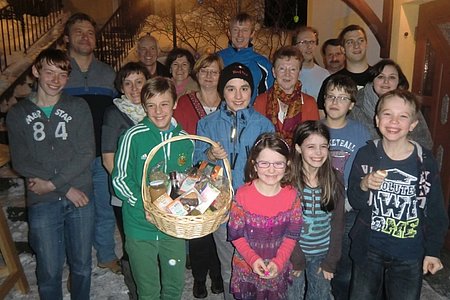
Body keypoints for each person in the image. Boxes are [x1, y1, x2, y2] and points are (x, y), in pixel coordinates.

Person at [7, 48, 95, 299]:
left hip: (82, 199)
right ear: (36, 71)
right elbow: (22, 161)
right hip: (44, 201)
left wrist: (54, 183)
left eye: (62, 74)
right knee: (48, 272)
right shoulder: (18, 114)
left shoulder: (78, 107)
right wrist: (64, 188)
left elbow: (86, 153)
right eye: (49, 72)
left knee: (81, 267)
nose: (56, 80)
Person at [347, 90, 448, 300]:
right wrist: (364, 185)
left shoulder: (425, 162)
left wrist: (433, 250)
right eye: (387, 114)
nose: (394, 121)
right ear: (376, 119)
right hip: (369, 248)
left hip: (409, 252)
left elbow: (437, 210)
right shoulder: (366, 154)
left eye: (403, 116)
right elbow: (355, 201)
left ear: (413, 124)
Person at [195, 62, 275, 300]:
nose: (238, 95)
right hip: (223, 207)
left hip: (256, 207)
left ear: (252, 91)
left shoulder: (263, 125)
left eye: (244, 88)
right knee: (229, 264)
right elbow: (197, 167)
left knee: (258, 264)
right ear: (222, 91)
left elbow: (274, 167)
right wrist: (209, 155)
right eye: (231, 88)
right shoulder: (207, 124)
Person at [112, 77, 194, 299]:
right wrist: (144, 205)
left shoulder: (185, 140)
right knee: (148, 289)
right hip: (140, 226)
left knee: (174, 286)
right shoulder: (133, 137)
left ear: (175, 104)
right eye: (151, 105)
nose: (158, 111)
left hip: (172, 228)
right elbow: (120, 179)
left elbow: (186, 182)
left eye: (164, 104)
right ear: (144, 106)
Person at [63, 12, 120, 273]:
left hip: (101, 154)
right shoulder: (58, 73)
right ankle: (77, 257)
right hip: (69, 158)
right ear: (67, 38)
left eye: (90, 33)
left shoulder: (108, 73)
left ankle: (107, 254)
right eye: (78, 32)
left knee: (105, 207)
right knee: (73, 210)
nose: (85, 37)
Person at [227, 133, 302, 299]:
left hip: (278, 264)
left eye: (278, 163)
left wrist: (279, 261)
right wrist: (253, 260)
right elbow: (236, 236)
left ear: (287, 165)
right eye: (264, 163)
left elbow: (292, 235)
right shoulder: (242, 194)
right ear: (254, 165)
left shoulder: (292, 196)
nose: (271, 170)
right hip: (247, 264)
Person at [173, 53, 224, 298]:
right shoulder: (185, 102)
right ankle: (200, 277)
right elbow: (179, 139)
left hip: (224, 175)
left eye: (214, 71)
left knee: (220, 229)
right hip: (193, 175)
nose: (209, 76)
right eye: (204, 70)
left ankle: (217, 273)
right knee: (199, 231)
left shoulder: (229, 100)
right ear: (197, 73)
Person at [101, 62, 150, 300]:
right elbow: (108, 159)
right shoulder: (114, 113)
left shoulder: (155, 110)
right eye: (127, 83)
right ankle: (137, 291)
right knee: (133, 244)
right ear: (121, 87)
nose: (134, 88)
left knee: (153, 242)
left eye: (139, 82)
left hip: (155, 192)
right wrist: (132, 191)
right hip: (127, 194)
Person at [321, 75, 371, 300]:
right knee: (322, 256)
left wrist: (354, 199)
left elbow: (366, 168)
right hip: (319, 205)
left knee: (346, 260)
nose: (335, 101)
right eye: (331, 96)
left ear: (351, 104)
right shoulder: (314, 128)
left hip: (349, 206)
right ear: (323, 99)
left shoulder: (360, 132)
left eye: (342, 98)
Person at [288, 120, 345, 300]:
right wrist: (296, 258)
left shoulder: (335, 178)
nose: (318, 153)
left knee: (320, 295)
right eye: (311, 146)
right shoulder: (287, 181)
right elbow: (285, 224)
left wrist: (331, 260)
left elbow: (338, 223)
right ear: (298, 148)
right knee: (292, 295)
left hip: (323, 254)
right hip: (293, 253)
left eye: (323, 146)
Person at [349, 59, 433, 148]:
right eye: (381, 77)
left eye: (392, 77)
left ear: (398, 81)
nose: (386, 81)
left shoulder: (409, 105)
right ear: (372, 81)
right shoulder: (355, 105)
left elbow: (425, 143)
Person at [253, 46, 319, 145]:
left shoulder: (310, 103)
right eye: (282, 69)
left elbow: (314, 141)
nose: (287, 74)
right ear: (274, 72)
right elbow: (255, 139)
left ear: (299, 73)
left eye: (292, 69)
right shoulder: (260, 101)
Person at [217, 12, 274, 104]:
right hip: (221, 115)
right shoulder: (217, 59)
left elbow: (270, 95)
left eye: (245, 30)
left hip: (252, 116)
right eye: (236, 30)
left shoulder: (263, 63)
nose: (240, 35)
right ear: (229, 32)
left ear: (252, 34)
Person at [318, 24, 373, 112]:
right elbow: (322, 119)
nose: (356, 45)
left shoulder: (380, 78)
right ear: (343, 49)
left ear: (366, 44)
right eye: (350, 42)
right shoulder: (332, 81)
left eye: (360, 40)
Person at [293, 26, 330, 101]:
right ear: (295, 46)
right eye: (304, 42)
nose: (309, 46)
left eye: (312, 42)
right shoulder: (289, 74)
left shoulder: (325, 75)